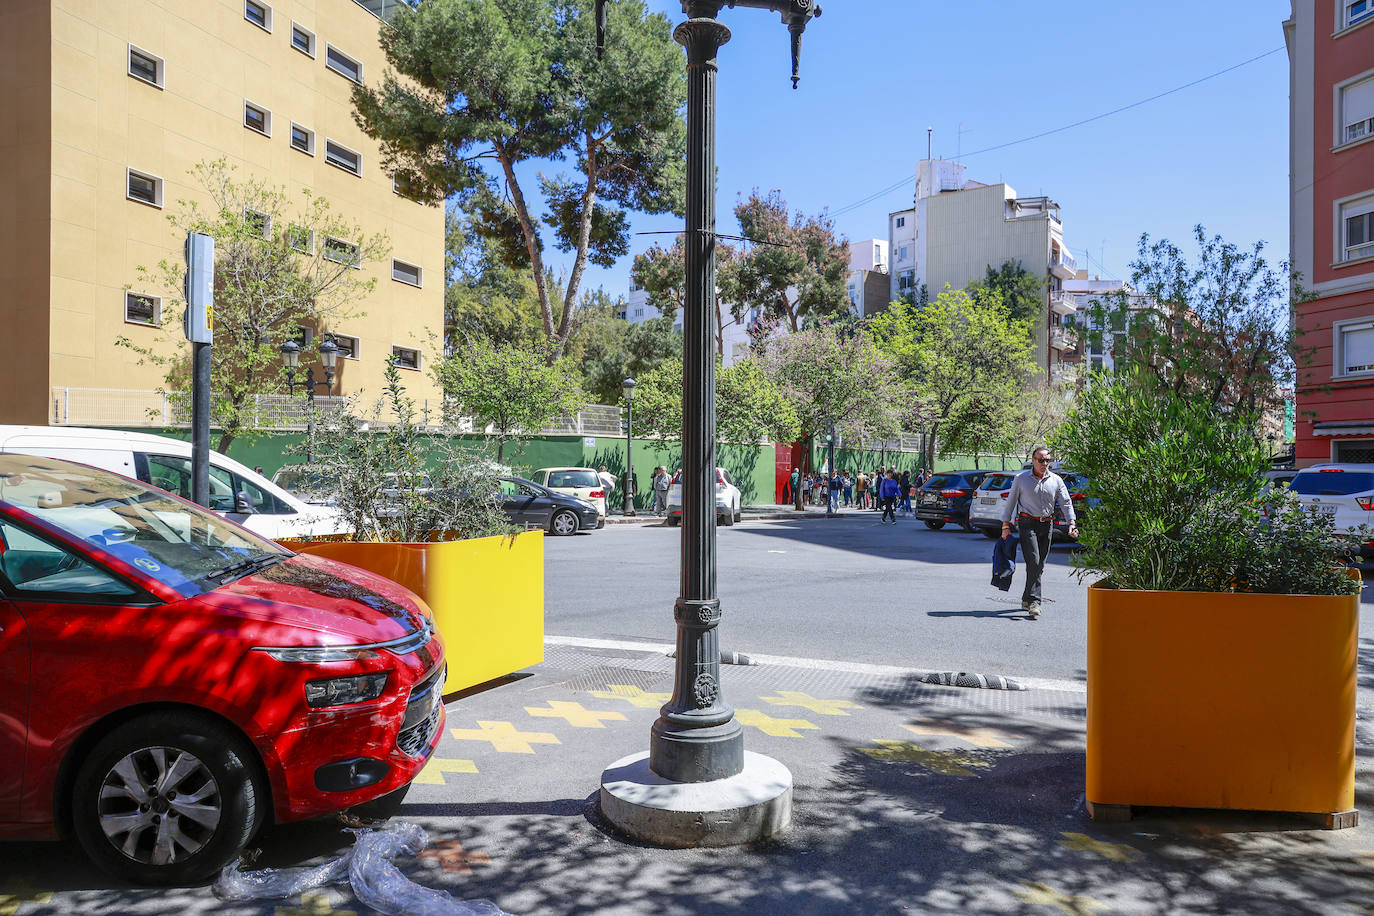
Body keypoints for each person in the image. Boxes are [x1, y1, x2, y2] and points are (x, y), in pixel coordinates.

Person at [1001, 445, 1077, 619]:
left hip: (1047, 525)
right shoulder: (1021, 479)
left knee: (1039, 565)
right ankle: (1035, 602)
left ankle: (1027, 597)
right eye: (1041, 460)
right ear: (1033, 460)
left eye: (1047, 460)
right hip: (1027, 524)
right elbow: (1011, 502)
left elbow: (1065, 502)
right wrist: (1005, 526)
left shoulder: (1056, 480)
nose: (1044, 463)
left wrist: (1071, 523)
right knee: (1034, 561)